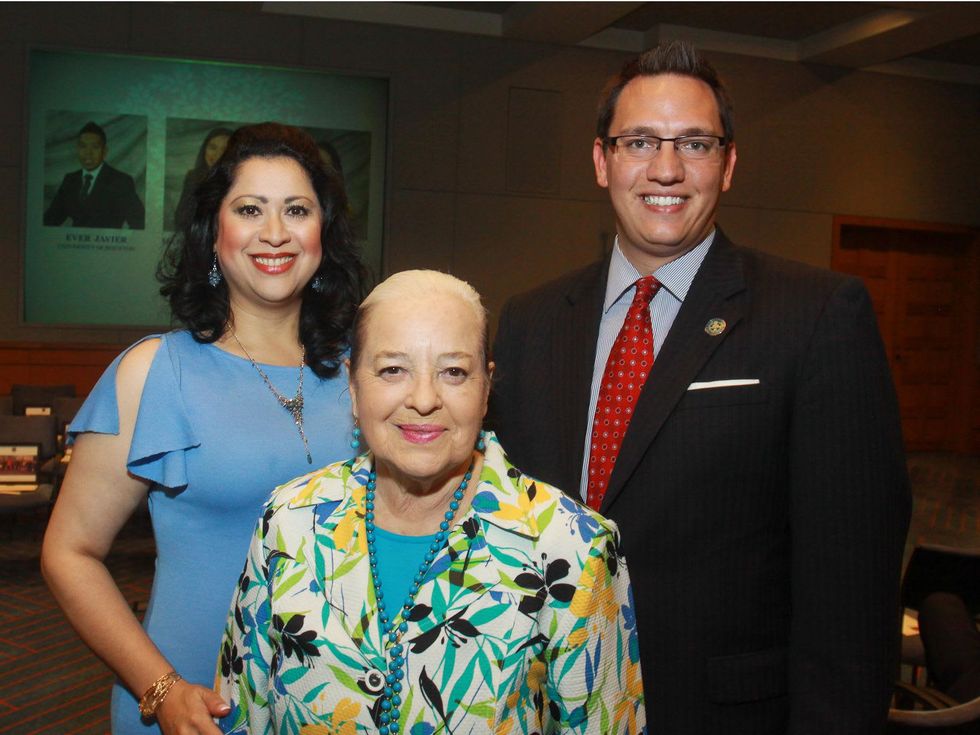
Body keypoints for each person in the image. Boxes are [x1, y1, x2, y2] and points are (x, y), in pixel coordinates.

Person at [489, 40, 911, 734]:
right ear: (601, 160)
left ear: (728, 164)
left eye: (694, 143)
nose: (666, 168)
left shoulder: (816, 316)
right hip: (542, 707)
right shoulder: (529, 321)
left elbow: (851, 589)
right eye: (639, 142)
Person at [41, 122, 367, 735]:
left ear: (323, 233)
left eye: (297, 210)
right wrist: (160, 689)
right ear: (214, 233)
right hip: (190, 701)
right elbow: (69, 553)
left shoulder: (367, 372)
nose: (275, 232)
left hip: (338, 704)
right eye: (250, 209)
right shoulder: (154, 372)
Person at [216, 270, 645, 734]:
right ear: (354, 387)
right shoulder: (289, 520)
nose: (423, 399)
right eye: (393, 370)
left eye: (453, 372)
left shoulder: (573, 548)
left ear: (485, 389)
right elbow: (242, 715)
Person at [43, 120, 146, 229]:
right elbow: (50, 220)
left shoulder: (121, 182)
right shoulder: (70, 180)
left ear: (104, 151)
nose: (88, 153)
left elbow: (139, 223)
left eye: (95, 147)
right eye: (83, 146)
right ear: (77, 150)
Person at [174, 127, 234, 231]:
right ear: (204, 150)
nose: (218, 154)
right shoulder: (193, 178)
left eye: (225, 149)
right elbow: (180, 219)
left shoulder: (241, 180)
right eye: (213, 147)